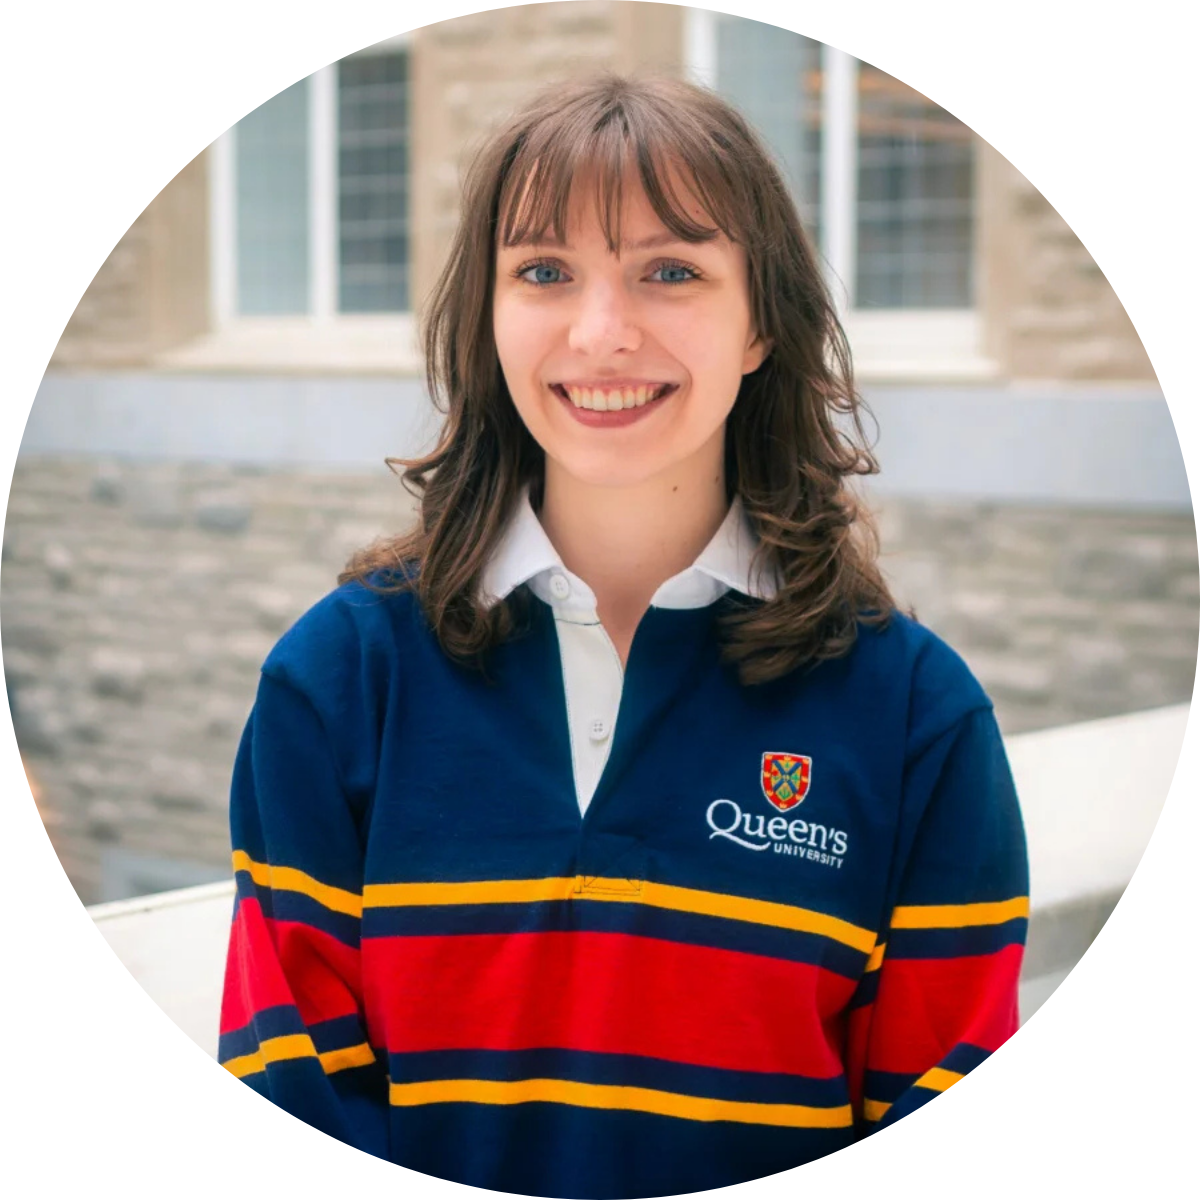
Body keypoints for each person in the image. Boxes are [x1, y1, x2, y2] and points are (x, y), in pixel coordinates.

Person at [218, 74, 1029, 1198]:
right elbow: (287, 1094)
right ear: (487, 317)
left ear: (763, 325)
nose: (602, 334)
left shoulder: (915, 717)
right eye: (543, 272)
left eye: (672, 271)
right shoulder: (340, 681)